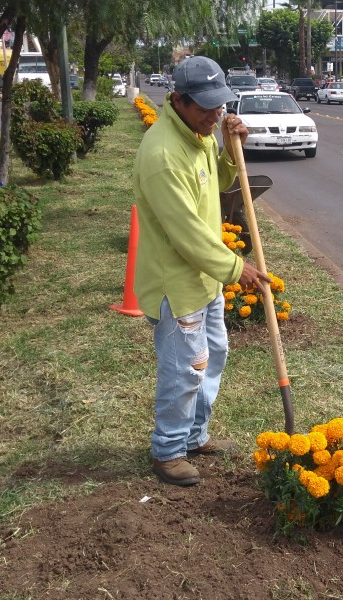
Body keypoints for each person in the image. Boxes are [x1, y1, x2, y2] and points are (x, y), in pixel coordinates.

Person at [132, 56, 271, 487]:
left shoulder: (196, 136)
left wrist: (231, 151)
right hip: (177, 284)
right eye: (206, 107)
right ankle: (169, 450)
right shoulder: (163, 155)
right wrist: (236, 267)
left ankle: (194, 435)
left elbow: (218, 179)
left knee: (213, 358)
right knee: (185, 369)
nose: (216, 115)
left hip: (203, 279)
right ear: (179, 101)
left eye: (221, 105)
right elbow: (187, 235)